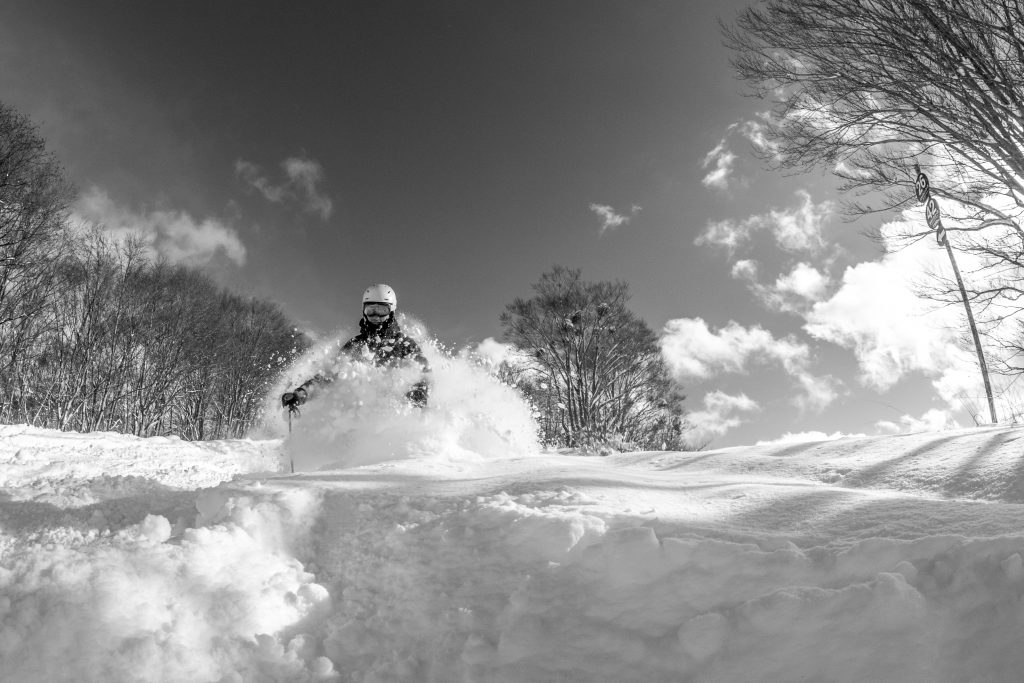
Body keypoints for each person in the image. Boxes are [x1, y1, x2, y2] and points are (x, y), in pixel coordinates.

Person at [281, 284, 430, 411]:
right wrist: (302, 393)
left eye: (382, 310)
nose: (376, 316)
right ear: (364, 312)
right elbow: (329, 375)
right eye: (371, 310)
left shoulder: (405, 345)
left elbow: (423, 373)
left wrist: (417, 397)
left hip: (393, 418)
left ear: (391, 312)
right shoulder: (355, 346)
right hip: (358, 420)